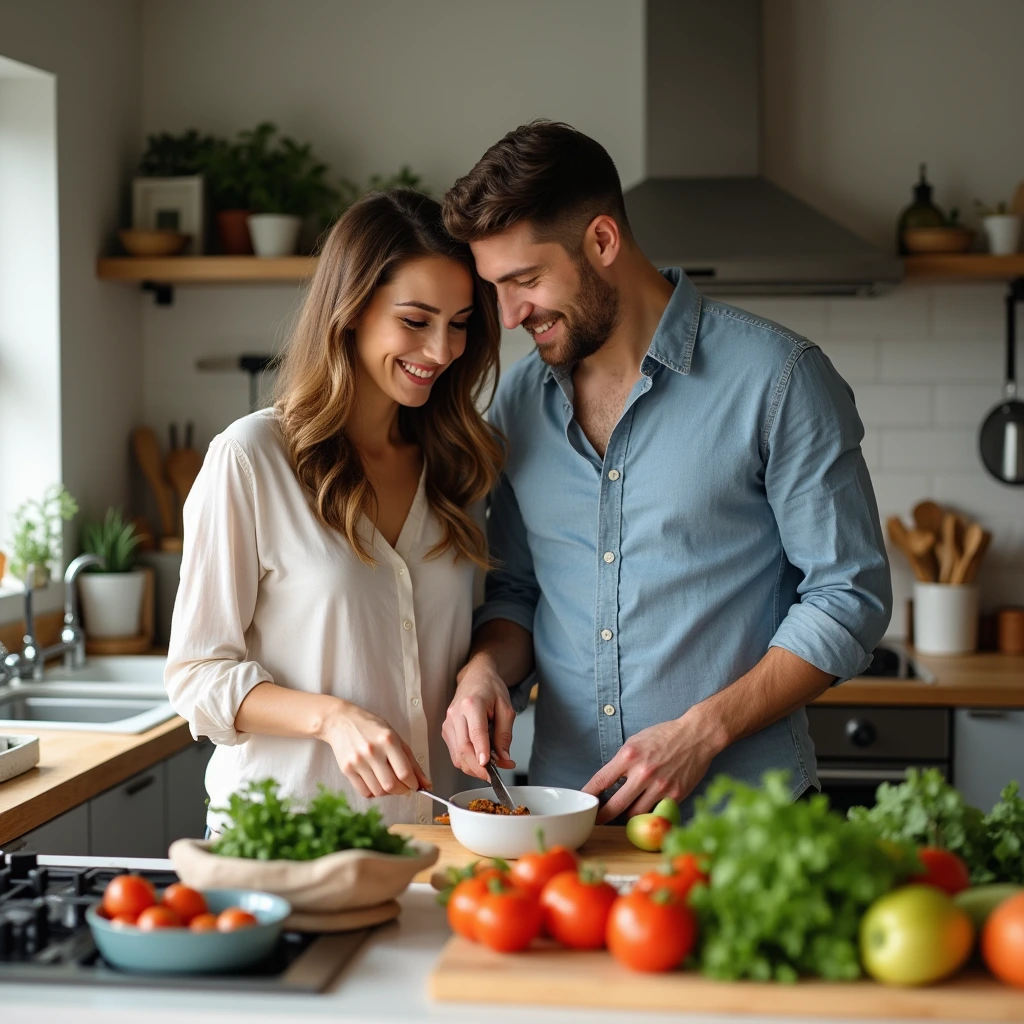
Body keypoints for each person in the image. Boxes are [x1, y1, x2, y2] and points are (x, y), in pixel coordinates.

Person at [440, 121, 892, 823]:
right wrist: (483, 673)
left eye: (525, 279)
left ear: (602, 241)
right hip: (567, 817)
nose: (507, 314)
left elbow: (848, 596)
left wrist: (701, 731)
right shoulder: (519, 403)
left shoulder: (779, 379)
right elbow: (518, 591)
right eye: (494, 287)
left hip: (746, 820)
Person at [164, 189, 503, 832]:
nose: (440, 350)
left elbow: (479, 623)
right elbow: (197, 675)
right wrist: (331, 717)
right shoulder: (251, 458)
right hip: (287, 837)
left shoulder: (457, 465)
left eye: (459, 323)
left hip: (437, 833)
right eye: (415, 319)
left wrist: (482, 675)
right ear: (350, 311)